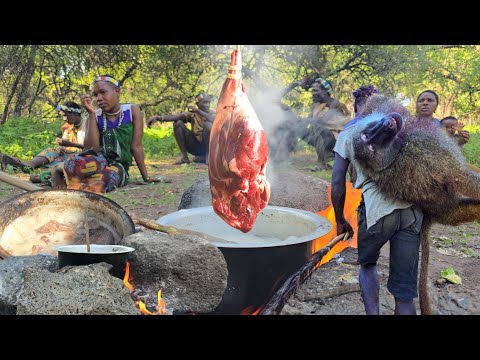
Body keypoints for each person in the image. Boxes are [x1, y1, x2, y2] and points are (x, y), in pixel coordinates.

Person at [331, 97, 424, 315]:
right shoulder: (401, 129)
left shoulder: (349, 133)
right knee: (404, 293)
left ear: (357, 108)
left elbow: (337, 182)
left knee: (368, 264)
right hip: (412, 211)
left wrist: (340, 220)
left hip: (377, 212)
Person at [50, 75, 158, 193]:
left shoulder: (132, 111)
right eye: (95, 95)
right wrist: (91, 115)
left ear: (117, 91)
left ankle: (68, 184)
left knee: (103, 181)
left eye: (103, 92)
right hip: (98, 161)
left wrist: (145, 177)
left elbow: (136, 146)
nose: (98, 98)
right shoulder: (96, 116)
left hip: (118, 166)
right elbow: (92, 150)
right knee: (78, 163)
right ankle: (59, 170)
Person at [274, 76, 351, 170]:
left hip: (336, 141)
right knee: (292, 126)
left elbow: (322, 121)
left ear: (325, 91)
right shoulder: (315, 106)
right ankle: (279, 158)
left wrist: (302, 123)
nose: (312, 93)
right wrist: (296, 84)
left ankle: (322, 163)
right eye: (312, 90)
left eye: (315, 90)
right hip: (321, 136)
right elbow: (307, 123)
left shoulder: (334, 103)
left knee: (316, 125)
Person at [0, 102, 86, 173]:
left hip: (81, 156)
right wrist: (62, 146)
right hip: (68, 153)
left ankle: (32, 169)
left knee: (58, 163)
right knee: (50, 151)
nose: (64, 119)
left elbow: (88, 148)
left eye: (65, 116)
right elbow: (64, 143)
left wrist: (69, 144)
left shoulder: (86, 124)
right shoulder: (68, 126)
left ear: (75, 114)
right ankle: (29, 164)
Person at [147, 92, 215, 165]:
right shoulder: (193, 114)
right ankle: (184, 157)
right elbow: (175, 117)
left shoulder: (212, 113)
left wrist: (198, 111)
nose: (207, 105)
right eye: (204, 103)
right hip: (195, 146)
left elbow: (214, 120)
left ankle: (208, 156)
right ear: (198, 104)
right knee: (178, 123)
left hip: (208, 146)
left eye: (208, 102)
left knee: (208, 125)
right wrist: (158, 118)